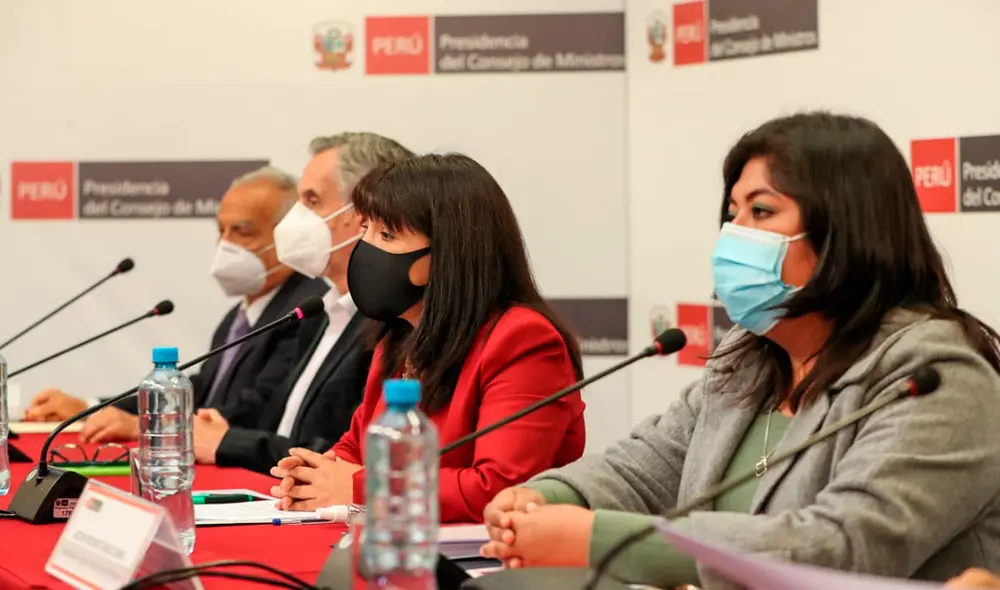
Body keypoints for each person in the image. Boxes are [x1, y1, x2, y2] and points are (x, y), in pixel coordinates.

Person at [479, 112, 1000, 588]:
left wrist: (602, 539)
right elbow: (645, 467)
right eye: (733, 213)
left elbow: (845, 547)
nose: (734, 235)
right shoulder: (749, 357)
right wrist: (543, 499)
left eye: (762, 211)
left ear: (845, 232)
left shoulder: (937, 375)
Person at [267, 153, 588, 524]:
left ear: (450, 252)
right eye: (366, 229)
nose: (365, 248)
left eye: (386, 235)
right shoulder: (401, 334)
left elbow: (499, 486)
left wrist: (360, 485)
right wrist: (313, 474)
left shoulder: (524, 340)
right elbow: (358, 447)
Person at [25, 166, 329, 443]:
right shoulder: (239, 316)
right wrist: (92, 408)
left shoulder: (304, 309)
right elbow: (203, 393)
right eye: (220, 231)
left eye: (242, 231)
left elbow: (259, 409)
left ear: (288, 235)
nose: (225, 244)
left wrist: (147, 426)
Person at [192, 132, 414, 474]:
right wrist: (222, 428)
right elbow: (285, 431)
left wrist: (229, 442)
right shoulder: (319, 314)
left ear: (365, 214)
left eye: (312, 200)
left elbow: (349, 456)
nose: (295, 218)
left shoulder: (394, 324)